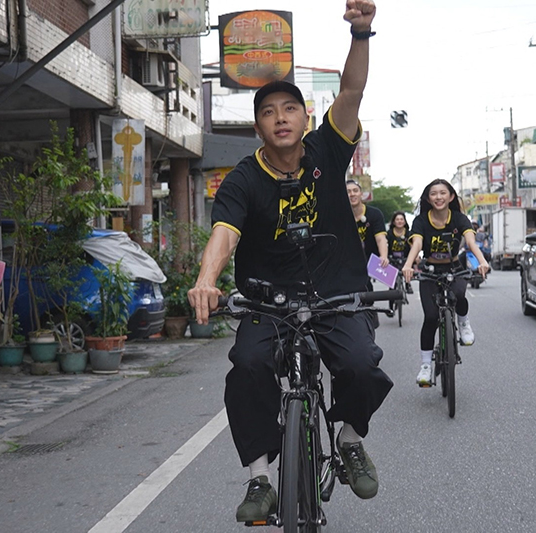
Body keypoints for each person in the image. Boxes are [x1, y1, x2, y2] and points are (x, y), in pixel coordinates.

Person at [188, 0, 392, 524]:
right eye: (267, 112)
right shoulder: (242, 180)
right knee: (249, 367)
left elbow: (351, 91)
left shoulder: (327, 149)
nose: (279, 119)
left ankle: (348, 439)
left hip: (337, 290)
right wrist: (207, 280)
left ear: (305, 118)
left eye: (289, 110)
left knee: (361, 366)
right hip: (268, 298)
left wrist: (362, 33)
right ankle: (260, 478)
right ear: (257, 126)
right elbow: (224, 232)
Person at [401, 179, 490, 387]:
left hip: (454, 268)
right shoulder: (421, 221)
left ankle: (464, 323)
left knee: (459, 295)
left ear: (451, 197)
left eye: (443, 193)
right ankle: (425, 366)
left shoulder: (459, 218)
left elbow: (470, 242)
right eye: (434, 193)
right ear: (428, 198)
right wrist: (407, 265)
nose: (438, 197)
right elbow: (418, 244)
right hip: (430, 271)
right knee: (431, 317)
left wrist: (483, 261)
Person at [347, 179, 388, 268]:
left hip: (370, 261)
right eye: (348, 192)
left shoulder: (375, 214)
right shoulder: (340, 216)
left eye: (355, 191)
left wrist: (383, 256)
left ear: (361, 194)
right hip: (348, 263)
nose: (352, 194)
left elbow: (381, 238)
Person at [386, 211, 414, 294]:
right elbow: (385, 245)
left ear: (405, 221)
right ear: (394, 222)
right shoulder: (389, 233)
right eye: (397, 219)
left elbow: (413, 246)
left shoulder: (409, 233)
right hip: (392, 258)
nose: (399, 221)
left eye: (401, 219)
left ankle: (408, 283)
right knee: (392, 281)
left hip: (405, 258)